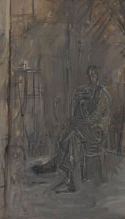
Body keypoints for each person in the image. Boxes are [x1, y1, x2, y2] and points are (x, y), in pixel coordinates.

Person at [33, 65, 112, 193]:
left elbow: (94, 117)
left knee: (72, 131)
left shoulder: (103, 95)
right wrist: (79, 97)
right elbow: (83, 108)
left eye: (94, 75)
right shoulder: (89, 91)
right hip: (88, 128)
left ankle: (61, 167)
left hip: (97, 132)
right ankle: (68, 176)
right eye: (90, 75)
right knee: (73, 135)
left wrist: (79, 121)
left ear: (99, 76)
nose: (92, 78)